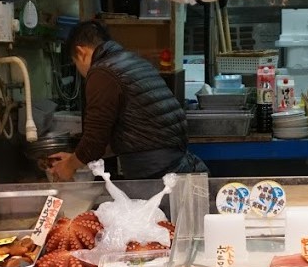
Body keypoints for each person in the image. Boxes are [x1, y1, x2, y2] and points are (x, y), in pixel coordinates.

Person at [48, 20, 205, 182]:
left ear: (80, 52)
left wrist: (68, 167)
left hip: (155, 174)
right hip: (172, 166)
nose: (80, 71)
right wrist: (75, 158)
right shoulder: (132, 61)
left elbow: (94, 140)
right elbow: (122, 134)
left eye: (75, 63)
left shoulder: (102, 72)